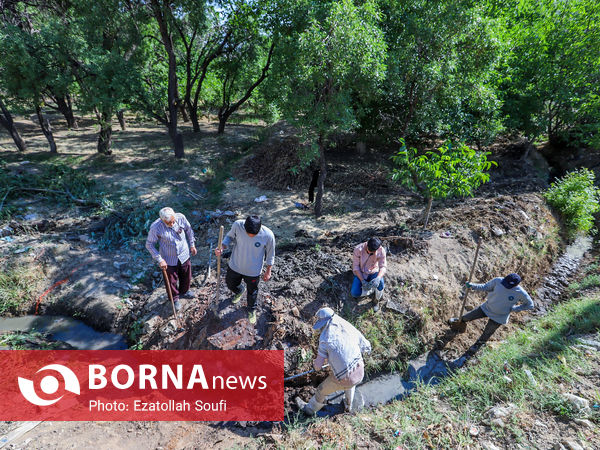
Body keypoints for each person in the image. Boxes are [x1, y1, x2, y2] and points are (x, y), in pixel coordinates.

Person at [296, 307, 371, 415]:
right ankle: (348, 405)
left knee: (321, 390)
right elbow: (366, 345)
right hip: (360, 369)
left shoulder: (325, 339)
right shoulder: (347, 326)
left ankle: (309, 410)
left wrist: (315, 367)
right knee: (351, 383)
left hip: (346, 377)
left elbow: (318, 366)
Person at [449, 273, 534, 355]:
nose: (506, 286)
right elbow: (485, 287)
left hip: (499, 317)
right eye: (506, 284)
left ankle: (477, 346)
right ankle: (459, 321)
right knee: (467, 317)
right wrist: (472, 286)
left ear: (516, 285)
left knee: (487, 333)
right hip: (487, 308)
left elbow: (530, 305)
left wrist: (515, 309)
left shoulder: (520, 292)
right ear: (505, 279)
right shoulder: (498, 281)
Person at [214, 215, 275, 324]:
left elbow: (270, 255)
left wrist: (268, 270)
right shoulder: (238, 225)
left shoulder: (268, 235)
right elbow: (229, 237)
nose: (251, 236)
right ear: (244, 227)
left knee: (252, 292)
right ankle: (239, 291)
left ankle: (251, 309)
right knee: (230, 284)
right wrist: (222, 247)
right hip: (235, 265)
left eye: (254, 235)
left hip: (253, 271)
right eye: (248, 234)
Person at [145, 207, 197, 311]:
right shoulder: (156, 227)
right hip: (168, 258)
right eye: (169, 223)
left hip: (183, 253)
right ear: (162, 220)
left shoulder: (181, 217)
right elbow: (149, 244)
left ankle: (184, 291)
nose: (172, 224)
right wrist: (160, 259)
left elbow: (189, 230)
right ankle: (174, 298)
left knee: (186, 273)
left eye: (173, 221)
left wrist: (192, 244)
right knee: (171, 280)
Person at [351, 237, 387, 310]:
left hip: (374, 272)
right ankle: (370, 291)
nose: (370, 253)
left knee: (381, 284)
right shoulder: (358, 249)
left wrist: (378, 278)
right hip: (361, 273)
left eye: (372, 252)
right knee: (354, 293)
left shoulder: (381, 250)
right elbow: (356, 267)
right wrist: (362, 281)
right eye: (368, 251)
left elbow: (383, 267)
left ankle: (376, 300)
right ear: (367, 244)